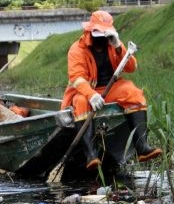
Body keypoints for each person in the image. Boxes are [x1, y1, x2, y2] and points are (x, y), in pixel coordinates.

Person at [61, 10, 162, 170]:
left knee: (133, 92)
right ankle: (91, 155)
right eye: (98, 33)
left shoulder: (113, 43)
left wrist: (118, 46)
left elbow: (131, 67)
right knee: (81, 102)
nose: (101, 38)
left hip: (111, 88)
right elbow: (77, 78)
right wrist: (91, 95)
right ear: (89, 31)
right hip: (86, 90)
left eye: (104, 34)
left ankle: (142, 147)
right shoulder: (77, 49)